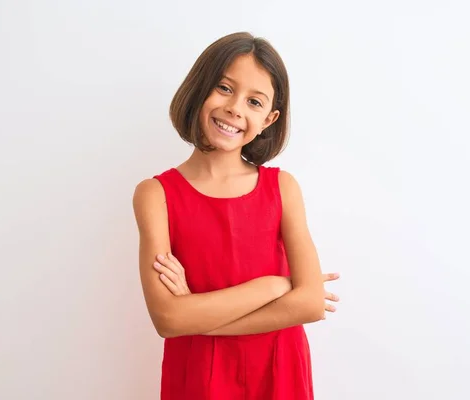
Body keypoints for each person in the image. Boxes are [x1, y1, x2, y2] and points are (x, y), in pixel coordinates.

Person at [132, 31, 340, 400]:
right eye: (225, 88)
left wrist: (198, 319)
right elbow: (168, 319)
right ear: (199, 88)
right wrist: (272, 288)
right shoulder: (156, 195)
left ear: (269, 119)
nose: (236, 108)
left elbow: (309, 304)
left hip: (279, 369)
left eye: (255, 101)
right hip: (198, 374)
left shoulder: (283, 188)